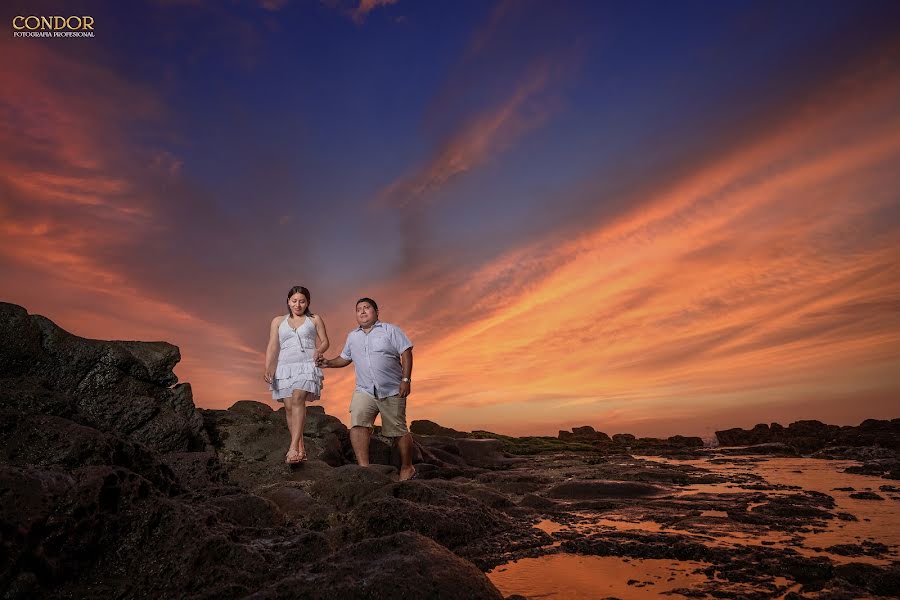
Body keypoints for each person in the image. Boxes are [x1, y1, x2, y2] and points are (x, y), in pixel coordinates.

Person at [318, 297, 416, 480]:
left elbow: (406, 352)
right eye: (358, 309)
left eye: (367, 308)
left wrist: (406, 379)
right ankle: (364, 469)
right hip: (364, 390)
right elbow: (345, 358)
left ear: (376, 312)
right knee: (358, 423)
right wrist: (328, 363)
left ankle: (407, 467)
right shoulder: (352, 336)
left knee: (398, 431)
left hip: (392, 389)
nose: (362, 311)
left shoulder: (390, 330)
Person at [264, 286, 329, 464]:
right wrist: (268, 367)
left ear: (307, 302)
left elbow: (325, 341)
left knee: (298, 399)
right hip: (285, 366)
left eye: (302, 301)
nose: (298, 304)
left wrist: (319, 350)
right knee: (289, 408)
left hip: (307, 364)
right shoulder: (278, 321)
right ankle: (301, 448)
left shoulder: (314, 319)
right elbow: (272, 345)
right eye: (294, 301)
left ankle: (292, 448)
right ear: (288, 301)